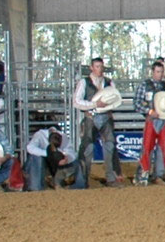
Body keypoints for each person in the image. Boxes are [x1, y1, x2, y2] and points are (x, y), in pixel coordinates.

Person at [71, 57, 122, 188]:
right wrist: (94, 104)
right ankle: (84, 179)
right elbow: (76, 102)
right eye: (97, 67)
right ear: (91, 68)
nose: (100, 69)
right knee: (88, 148)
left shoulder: (109, 82)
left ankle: (110, 177)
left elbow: (115, 98)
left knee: (109, 146)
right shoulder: (84, 82)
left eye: (101, 67)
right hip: (91, 116)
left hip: (105, 116)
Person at [136, 60, 165, 184]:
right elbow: (137, 103)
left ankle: (159, 174)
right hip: (151, 119)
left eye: (161, 72)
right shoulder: (145, 85)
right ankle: (144, 173)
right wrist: (149, 111)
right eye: (158, 72)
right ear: (153, 72)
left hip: (164, 119)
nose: (159, 74)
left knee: (163, 147)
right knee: (147, 146)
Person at [23, 126, 67, 191]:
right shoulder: (39, 135)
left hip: (52, 163)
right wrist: (49, 154)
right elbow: (30, 148)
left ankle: (74, 186)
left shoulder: (63, 137)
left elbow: (70, 151)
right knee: (37, 158)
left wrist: (66, 157)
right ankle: (35, 187)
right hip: (39, 163)